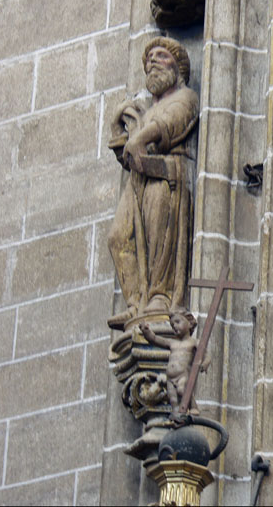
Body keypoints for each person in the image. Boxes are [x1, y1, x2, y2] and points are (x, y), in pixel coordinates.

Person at [107, 37, 199, 327]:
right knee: (118, 238)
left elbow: (173, 122)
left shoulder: (184, 97)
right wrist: (117, 126)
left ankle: (160, 295)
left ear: (179, 67)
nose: (152, 63)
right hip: (139, 180)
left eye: (161, 56)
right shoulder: (146, 111)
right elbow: (131, 153)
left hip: (165, 178)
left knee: (161, 234)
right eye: (149, 60)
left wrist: (141, 136)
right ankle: (136, 302)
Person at [139, 309, 209, 418]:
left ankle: (194, 407)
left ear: (190, 324)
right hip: (170, 377)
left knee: (182, 389)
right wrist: (146, 331)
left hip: (183, 375)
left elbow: (206, 354)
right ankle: (178, 416)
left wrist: (205, 363)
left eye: (177, 322)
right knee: (173, 400)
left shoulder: (193, 342)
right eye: (172, 325)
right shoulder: (172, 343)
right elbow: (155, 339)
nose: (174, 326)